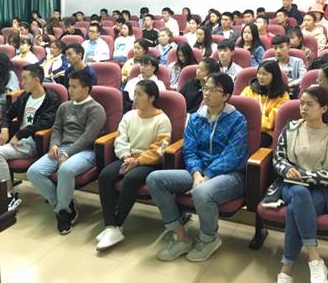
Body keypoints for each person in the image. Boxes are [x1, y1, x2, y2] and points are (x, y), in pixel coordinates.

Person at [146, 73, 248, 262]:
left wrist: (206, 176)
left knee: (201, 191)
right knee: (155, 179)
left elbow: (232, 156)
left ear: (226, 96)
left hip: (230, 175)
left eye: (212, 90)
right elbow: (190, 150)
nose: (206, 93)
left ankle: (209, 239)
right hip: (198, 173)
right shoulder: (195, 118)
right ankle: (180, 236)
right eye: (205, 88)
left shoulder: (237, 120)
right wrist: (196, 174)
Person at [261, 86, 328, 283]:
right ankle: (315, 259)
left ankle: (286, 270)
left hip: (320, 191)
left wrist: (307, 176)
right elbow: (278, 158)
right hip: (289, 185)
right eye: (301, 103)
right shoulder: (291, 128)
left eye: (309, 104)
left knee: (295, 209)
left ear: (323, 108)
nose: (303, 108)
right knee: (300, 193)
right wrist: (286, 169)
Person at [27, 70, 106, 234]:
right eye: (69, 86)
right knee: (33, 172)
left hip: (85, 151)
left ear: (86, 89)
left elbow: (88, 137)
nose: (69, 90)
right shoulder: (64, 107)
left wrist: (67, 153)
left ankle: (63, 213)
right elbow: (57, 129)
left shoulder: (96, 109)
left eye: (74, 87)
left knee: (65, 169)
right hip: (62, 148)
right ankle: (64, 206)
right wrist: (54, 145)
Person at [96, 80, 172, 251]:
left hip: (149, 163)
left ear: (151, 98)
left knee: (130, 179)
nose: (135, 98)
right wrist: (127, 156)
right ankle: (110, 226)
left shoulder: (162, 120)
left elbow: (160, 149)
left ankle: (118, 223)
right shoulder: (129, 116)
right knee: (105, 175)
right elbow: (120, 139)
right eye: (134, 94)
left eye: (139, 94)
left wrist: (138, 161)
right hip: (128, 157)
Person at [0, 64, 60, 210]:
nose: (22, 82)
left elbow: (45, 123)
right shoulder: (25, 96)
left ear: (36, 79)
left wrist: (19, 134)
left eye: (25, 78)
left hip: (34, 142)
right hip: (18, 143)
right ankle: (6, 193)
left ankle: (7, 195)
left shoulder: (51, 98)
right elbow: (7, 113)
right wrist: (5, 128)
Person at [240, 60, 290, 146]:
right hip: (245, 128)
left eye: (265, 74)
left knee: (249, 144)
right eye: (259, 73)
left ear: (274, 76)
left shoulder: (283, 96)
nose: (260, 77)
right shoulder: (248, 90)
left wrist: (253, 121)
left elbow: (270, 123)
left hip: (266, 133)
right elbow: (240, 112)